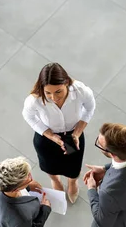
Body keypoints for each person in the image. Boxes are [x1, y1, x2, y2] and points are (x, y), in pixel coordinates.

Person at [22, 63, 95, 204]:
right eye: (48, 93)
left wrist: (78, 132)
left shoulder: (81, 91)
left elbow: (90, 108)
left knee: (73, 166)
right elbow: (28, 116)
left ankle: (72, 183)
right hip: (47, 138)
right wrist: (50, 135)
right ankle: (56, 181)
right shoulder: (34, 99)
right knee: (49, 165)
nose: (53, 98)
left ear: (66, 83)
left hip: (72, 136)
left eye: (58, 92)